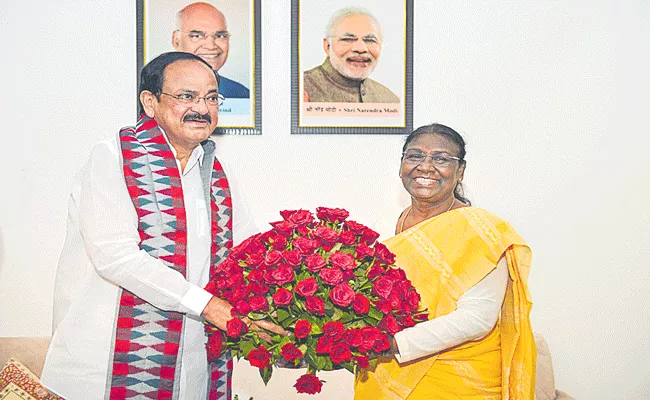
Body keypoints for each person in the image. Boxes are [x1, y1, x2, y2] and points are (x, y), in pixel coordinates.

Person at [41, 52, 281, 399]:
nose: (202, 107)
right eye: (187, 96)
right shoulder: (113, 158)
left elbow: (247, 251)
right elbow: (116, 257)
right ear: (150, 102)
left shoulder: (216, 172)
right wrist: (208, 306)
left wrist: (296, 287)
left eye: (211, 97)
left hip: (194, 367)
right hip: (104, 369)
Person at [355, 124, 536, 399]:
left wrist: (393, 343)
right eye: (414, 156)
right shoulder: (384, 225)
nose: (425, 167)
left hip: (459, 381)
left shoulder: (481, 231)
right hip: (385, 371)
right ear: (402, 164)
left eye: (440, 159)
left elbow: (477, 319)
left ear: (460, 170)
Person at [303, 7, 399, 103]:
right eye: (348, 39)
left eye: (370, 40)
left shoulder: (390, 100)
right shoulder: (300, 88)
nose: (360, 49)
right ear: (327, 46)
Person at [173, 2, 250, 99]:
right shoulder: (154, 89)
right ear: (176, 41)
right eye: (197, 36)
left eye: (220, 36)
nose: (211, 46)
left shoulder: (241, 95)